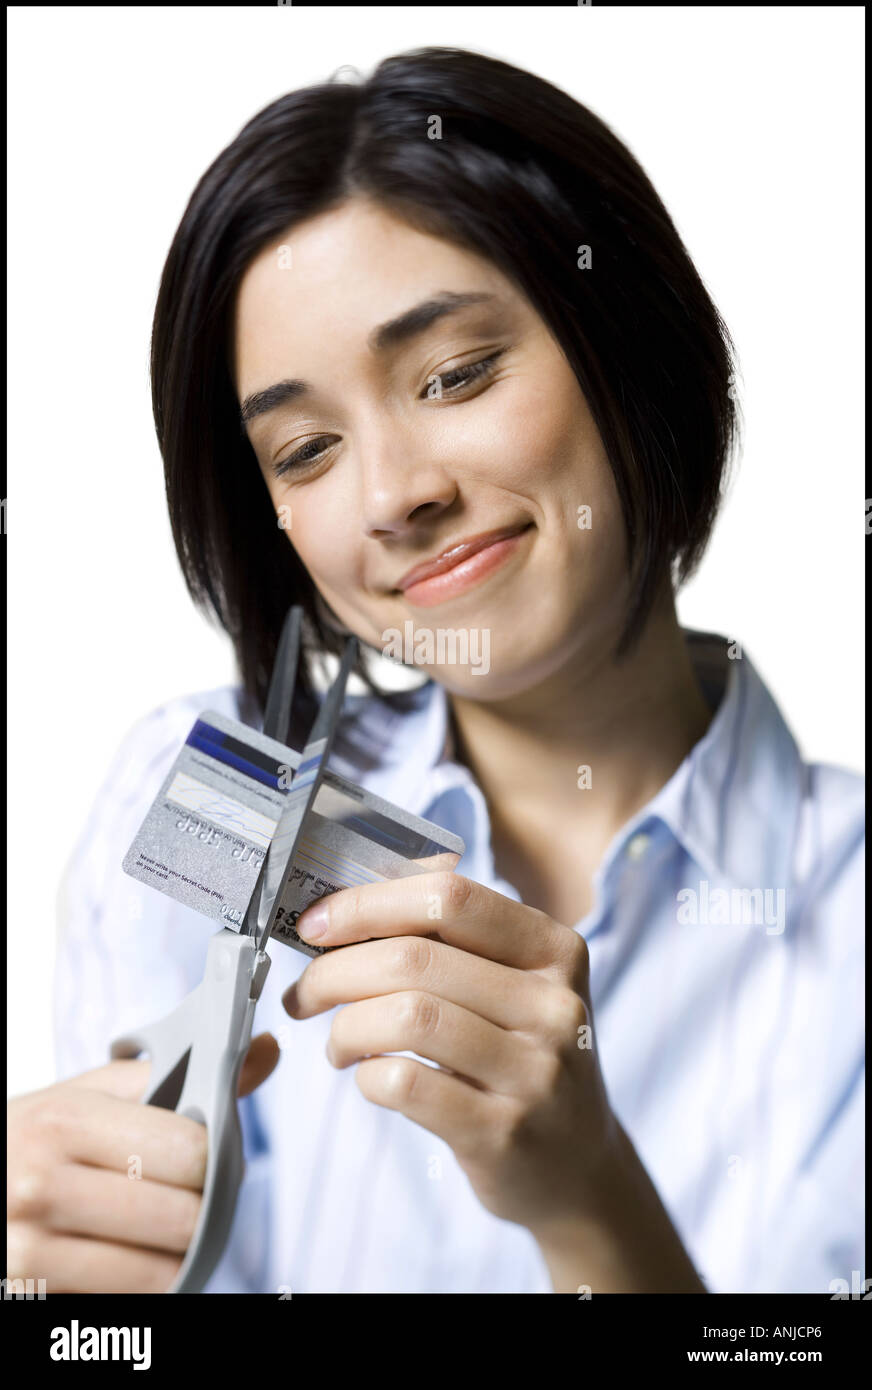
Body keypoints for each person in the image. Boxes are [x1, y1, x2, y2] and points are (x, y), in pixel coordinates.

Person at [8, 47, 863, 1295]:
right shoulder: (190, 793)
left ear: (625, 342)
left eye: (456, 375)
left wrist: (589, 1207)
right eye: (305, 450)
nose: (397, 494)